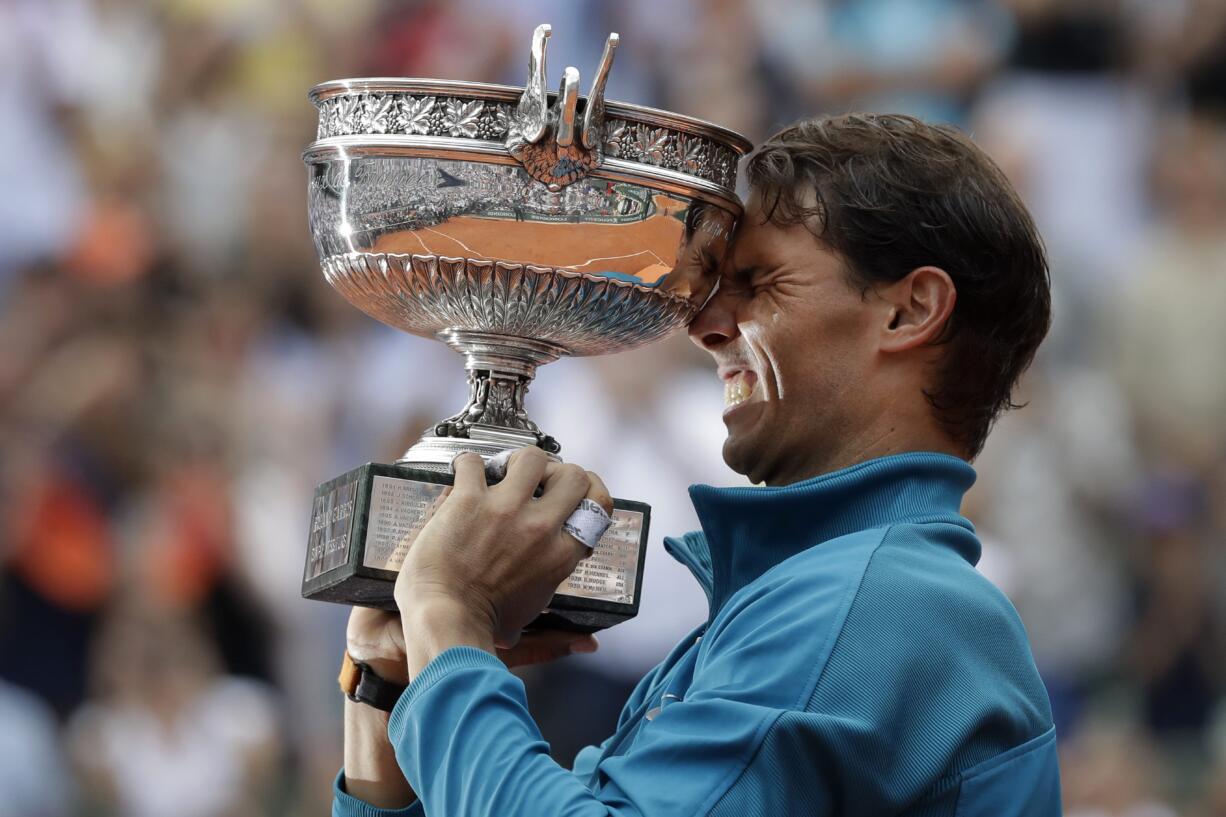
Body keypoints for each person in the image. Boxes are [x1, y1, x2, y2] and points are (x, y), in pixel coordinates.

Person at [332, 113, 1061, 816]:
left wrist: (449, 617)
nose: (704, 324)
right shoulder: (812, 602)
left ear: (909, 311)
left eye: (763, 281)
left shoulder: (874, 607)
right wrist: (390, 688)